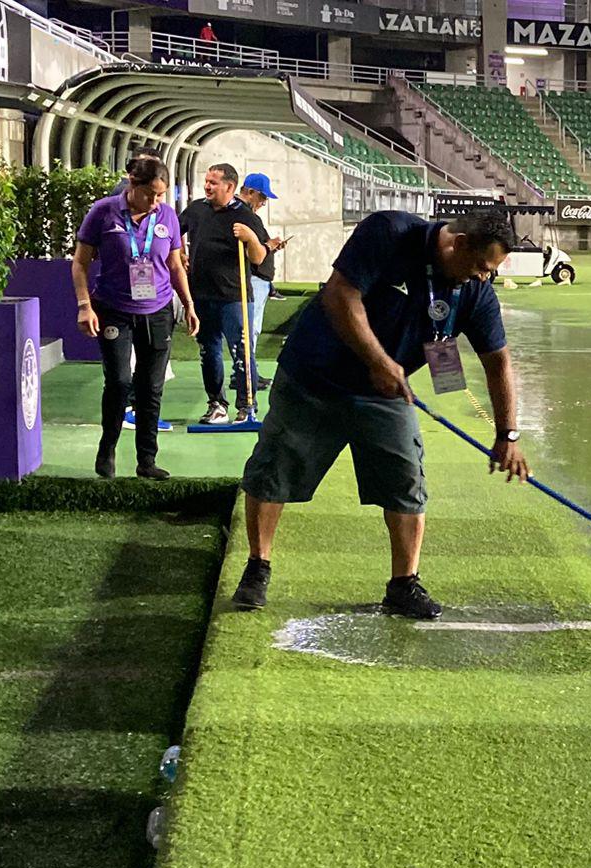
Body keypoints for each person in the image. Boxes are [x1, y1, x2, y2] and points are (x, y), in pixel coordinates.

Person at [228, 208, 529, 619]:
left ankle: (403, 585)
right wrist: (379, 361)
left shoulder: (474, 291)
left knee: (406, 481)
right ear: (457, 243)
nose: (484, 277)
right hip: (313, 378)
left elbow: (498, 361)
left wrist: (507, 435)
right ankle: (257, 567)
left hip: (385, 395)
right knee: (273, 471)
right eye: (480, 266)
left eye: (491, 271)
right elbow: (340, 294)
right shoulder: (389, 232)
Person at [71, 157, 200, 479]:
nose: (156, 201)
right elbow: (80, 263)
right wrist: (85, 305)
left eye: (161, 195)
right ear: (133, 183)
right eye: (151, 194)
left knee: (151, 386)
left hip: (157, 312)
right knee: (118, 382)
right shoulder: (103, 212)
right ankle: (107, 450)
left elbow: (174, 266)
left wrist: (189, 304)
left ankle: (147, 461)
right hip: (113, 308)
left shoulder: (167, 216)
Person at [180, 163, 269, 425]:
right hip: (202, 296)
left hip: (235, 297)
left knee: (242, 352)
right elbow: (173, 235)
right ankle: (216, 404)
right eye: (206, 181)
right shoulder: (197, 209)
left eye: (213, 182)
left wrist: (251, 238)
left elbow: (260, 257)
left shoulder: (247, 216)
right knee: (209, 352)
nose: (207, 186)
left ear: (229, 187)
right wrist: (180, 253)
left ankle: (247, 406)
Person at [112, 146, 178, 434]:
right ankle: (126, 412)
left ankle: (143, 419)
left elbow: (169, 245)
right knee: (127, 365)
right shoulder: (116, 202)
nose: (153, 200)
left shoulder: (163, 209)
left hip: (155, 296)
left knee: (151, 365)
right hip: (124, 300)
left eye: (160, 194)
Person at [237, 173, 287, 392]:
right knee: (250, 331)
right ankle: (246, 374)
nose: (265, 202)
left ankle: (248, 372)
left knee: (251, 330)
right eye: (263, 197)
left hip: (258, 280)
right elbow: (255, 252)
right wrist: (270, 245)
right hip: (254, 279)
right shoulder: (246, 215)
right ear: (250, 192)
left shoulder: (248, 215)